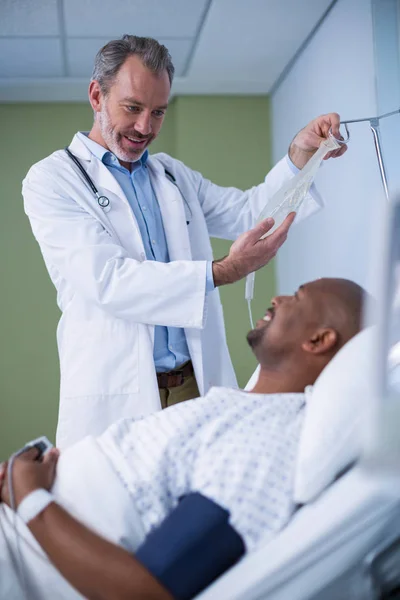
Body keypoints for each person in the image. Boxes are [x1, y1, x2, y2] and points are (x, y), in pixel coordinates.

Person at [22, 34, 347, 449]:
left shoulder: (171, 175)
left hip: (194, 386)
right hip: (119, 394)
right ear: (96, 95)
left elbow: (250, 213)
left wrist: (302, 155)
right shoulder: (53, 180)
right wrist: (224, 270)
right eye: (133, 108)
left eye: (158, 112)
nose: (145, 127)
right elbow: (109, 280)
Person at [0, 278, 363, 600]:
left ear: (319, 339)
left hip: (19, 547)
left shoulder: (272, 440)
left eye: (296, 297)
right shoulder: (240, 406)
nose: (277, 299)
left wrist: (29, 495)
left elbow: (148, 592)